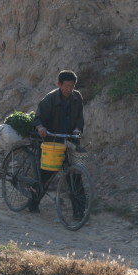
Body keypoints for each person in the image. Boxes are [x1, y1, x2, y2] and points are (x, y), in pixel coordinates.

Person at [30, 70, 85, 215]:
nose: (69, 90)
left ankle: (79, 212)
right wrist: (41, 127)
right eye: (66, 86)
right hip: (53, 141)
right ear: (59, 84)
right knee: (47, 174)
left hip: (70, 141)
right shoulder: (49, 99)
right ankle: (33, 202)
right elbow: (38, 118)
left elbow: (80, 118)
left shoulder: (77, 97)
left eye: (71, 86)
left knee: (75, 174)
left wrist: (78, 129)